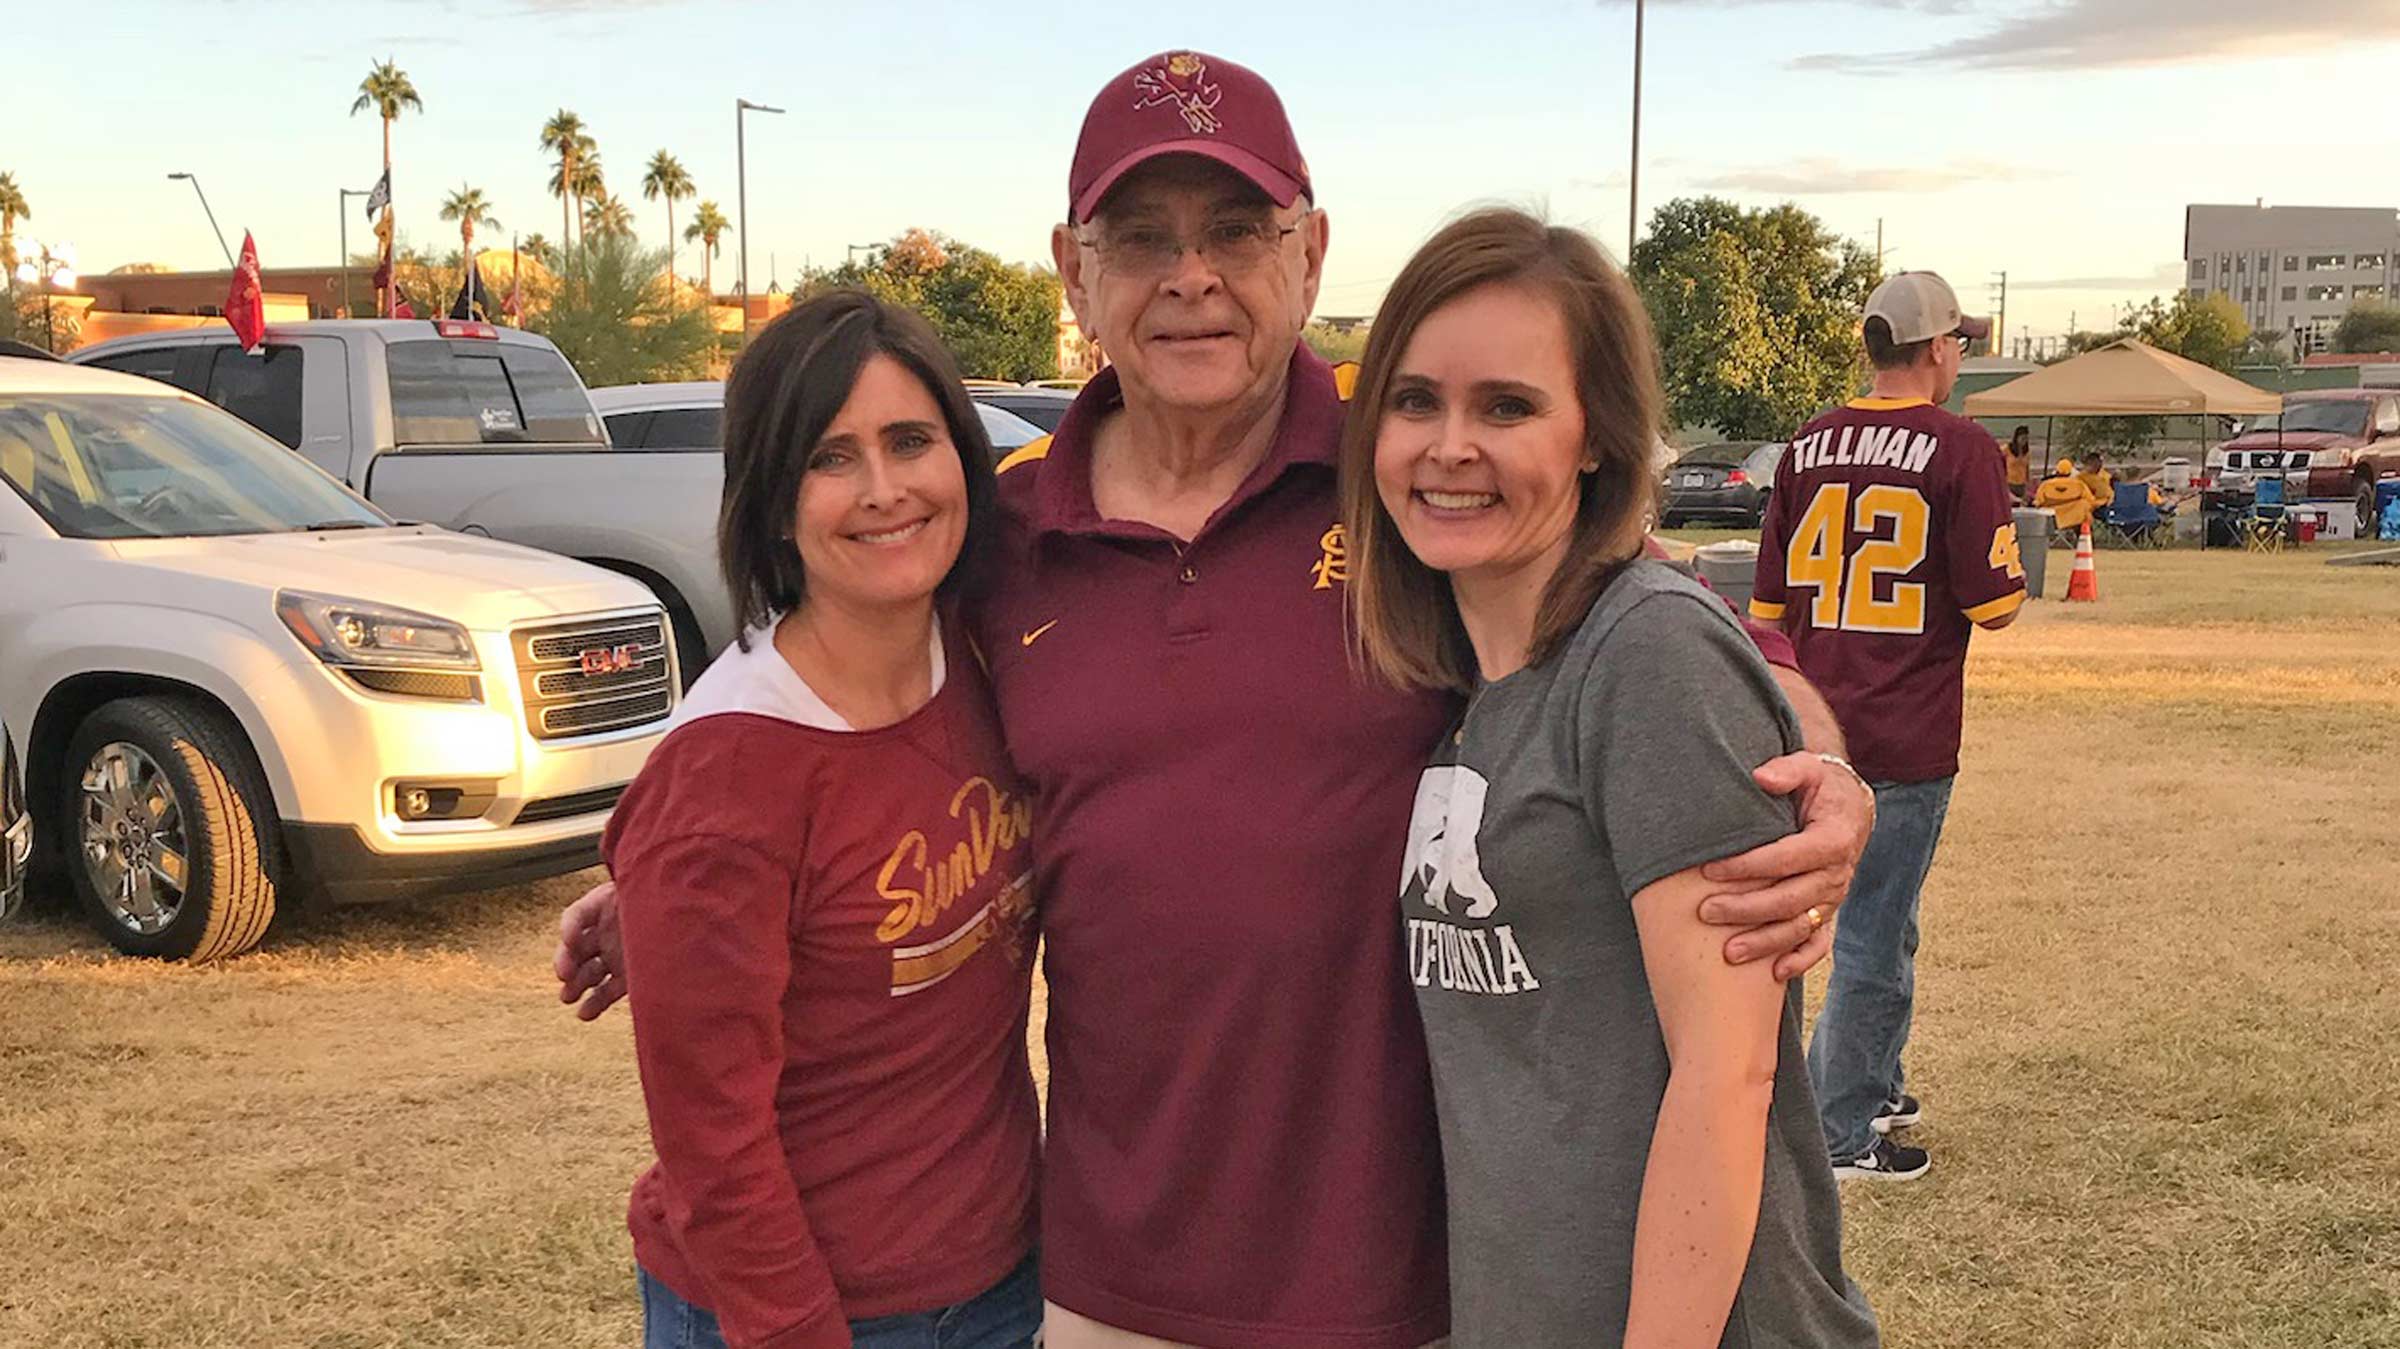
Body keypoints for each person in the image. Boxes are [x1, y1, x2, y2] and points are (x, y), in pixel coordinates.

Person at [562, 51, 1880, 1349]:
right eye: (1141, 239)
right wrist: (669, 893)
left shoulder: (1414, 490)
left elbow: (1645, 623)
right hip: (1096, 1273)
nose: (1191, 276)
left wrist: (1821, 768)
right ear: (1074, 274)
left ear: (1309, 256)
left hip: (1404, 1273)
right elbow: (866, 727)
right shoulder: (993, 541)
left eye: (1236, 232)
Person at [1349, 207, 1878, 1346]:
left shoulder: (1643, 654)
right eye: (1414, 400)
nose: (1450, 445)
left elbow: (1725, 1077)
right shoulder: (1463, 678)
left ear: (1594, 435)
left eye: (1507, 405)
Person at [606, 291, 1041, 1349]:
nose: (885, 489)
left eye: (910, 440)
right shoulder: (724, 785)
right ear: (771, 499)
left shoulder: (984, 656)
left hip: (1002, 1271)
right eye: (831, 456)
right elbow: (716, 1146)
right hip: (809, 1307)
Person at [1751, 270, 2027, 1182]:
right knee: (1874, 930)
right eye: (1960, 345)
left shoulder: (1807, 441)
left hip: (1809, 724)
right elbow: (1997, 605)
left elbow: (1767, 602)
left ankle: (1864, 1078)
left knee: (1848, 926)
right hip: (1904, 729)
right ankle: (1839, 1128)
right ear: (1939, 348)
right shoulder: (1960, 447)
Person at [2031, 457, 2103, 538]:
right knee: (2084, 505)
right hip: (2075, 520)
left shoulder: (2045, 485)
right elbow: (2091, 500)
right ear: (2070, 472)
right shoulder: (2079, 485)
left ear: (2057, 471)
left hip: (2052, 521)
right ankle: (2084, 540)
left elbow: (2037, 502)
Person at [2076, 453, 2117, 521]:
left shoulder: (2106, 475)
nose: (2090, 466)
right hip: (2093, 505)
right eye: (2088, 464)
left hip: (2109, 503)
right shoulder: (2081, 477)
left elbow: (2110, 491)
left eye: (2094, 463)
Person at [2004, 426, 2034, 504]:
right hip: (2009, 483)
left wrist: (2028, 485)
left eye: (2026, 439)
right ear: (2017, 438)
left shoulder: (2026, 452)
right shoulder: (2007, 449)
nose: (2024, 441)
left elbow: (2027, 468)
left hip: (2022, 485)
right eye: (2022, 438)